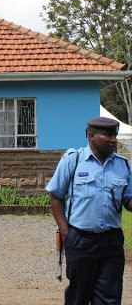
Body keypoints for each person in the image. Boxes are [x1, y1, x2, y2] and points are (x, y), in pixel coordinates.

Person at [46, 116, 132, 305]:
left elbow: (128, 203)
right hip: (80, 240)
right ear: (91, 135)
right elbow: (56, 197)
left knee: (110, 297)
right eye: (108, 135)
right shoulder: (73, 160)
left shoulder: (123, 165)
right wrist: (67, 233)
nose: (113, 140)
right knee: (79, 296)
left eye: (115, 135)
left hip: (112, 241)